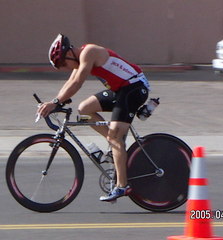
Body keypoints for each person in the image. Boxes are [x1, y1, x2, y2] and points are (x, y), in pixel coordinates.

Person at [37, 34, 150, 202]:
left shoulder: (88, 52)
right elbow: (70, 83)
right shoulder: (79, 59)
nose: (66, 67)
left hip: (134, 88)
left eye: (63, 63)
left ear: (68, 54)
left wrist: (55, 103)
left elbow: (78, 83)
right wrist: (54, 101)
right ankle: (114, 147)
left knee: (115, 137)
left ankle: (122, 186)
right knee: (84, 109)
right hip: (121, 89)